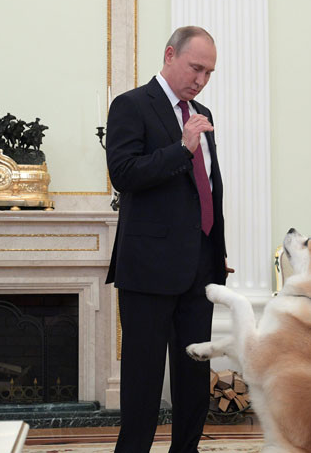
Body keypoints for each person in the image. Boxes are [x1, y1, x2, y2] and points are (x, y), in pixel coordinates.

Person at [105, 26, 228, 453]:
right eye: (196, 68)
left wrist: (215, 249)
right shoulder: (131, 105)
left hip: (200, 268)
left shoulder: (202, 112)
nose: (201, 80)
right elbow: (124, 174)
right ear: (170, 55)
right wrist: (181, 148)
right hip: (148, 269)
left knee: (194, 378)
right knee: (143, 381)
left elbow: (207, 190)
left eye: (209, 73)